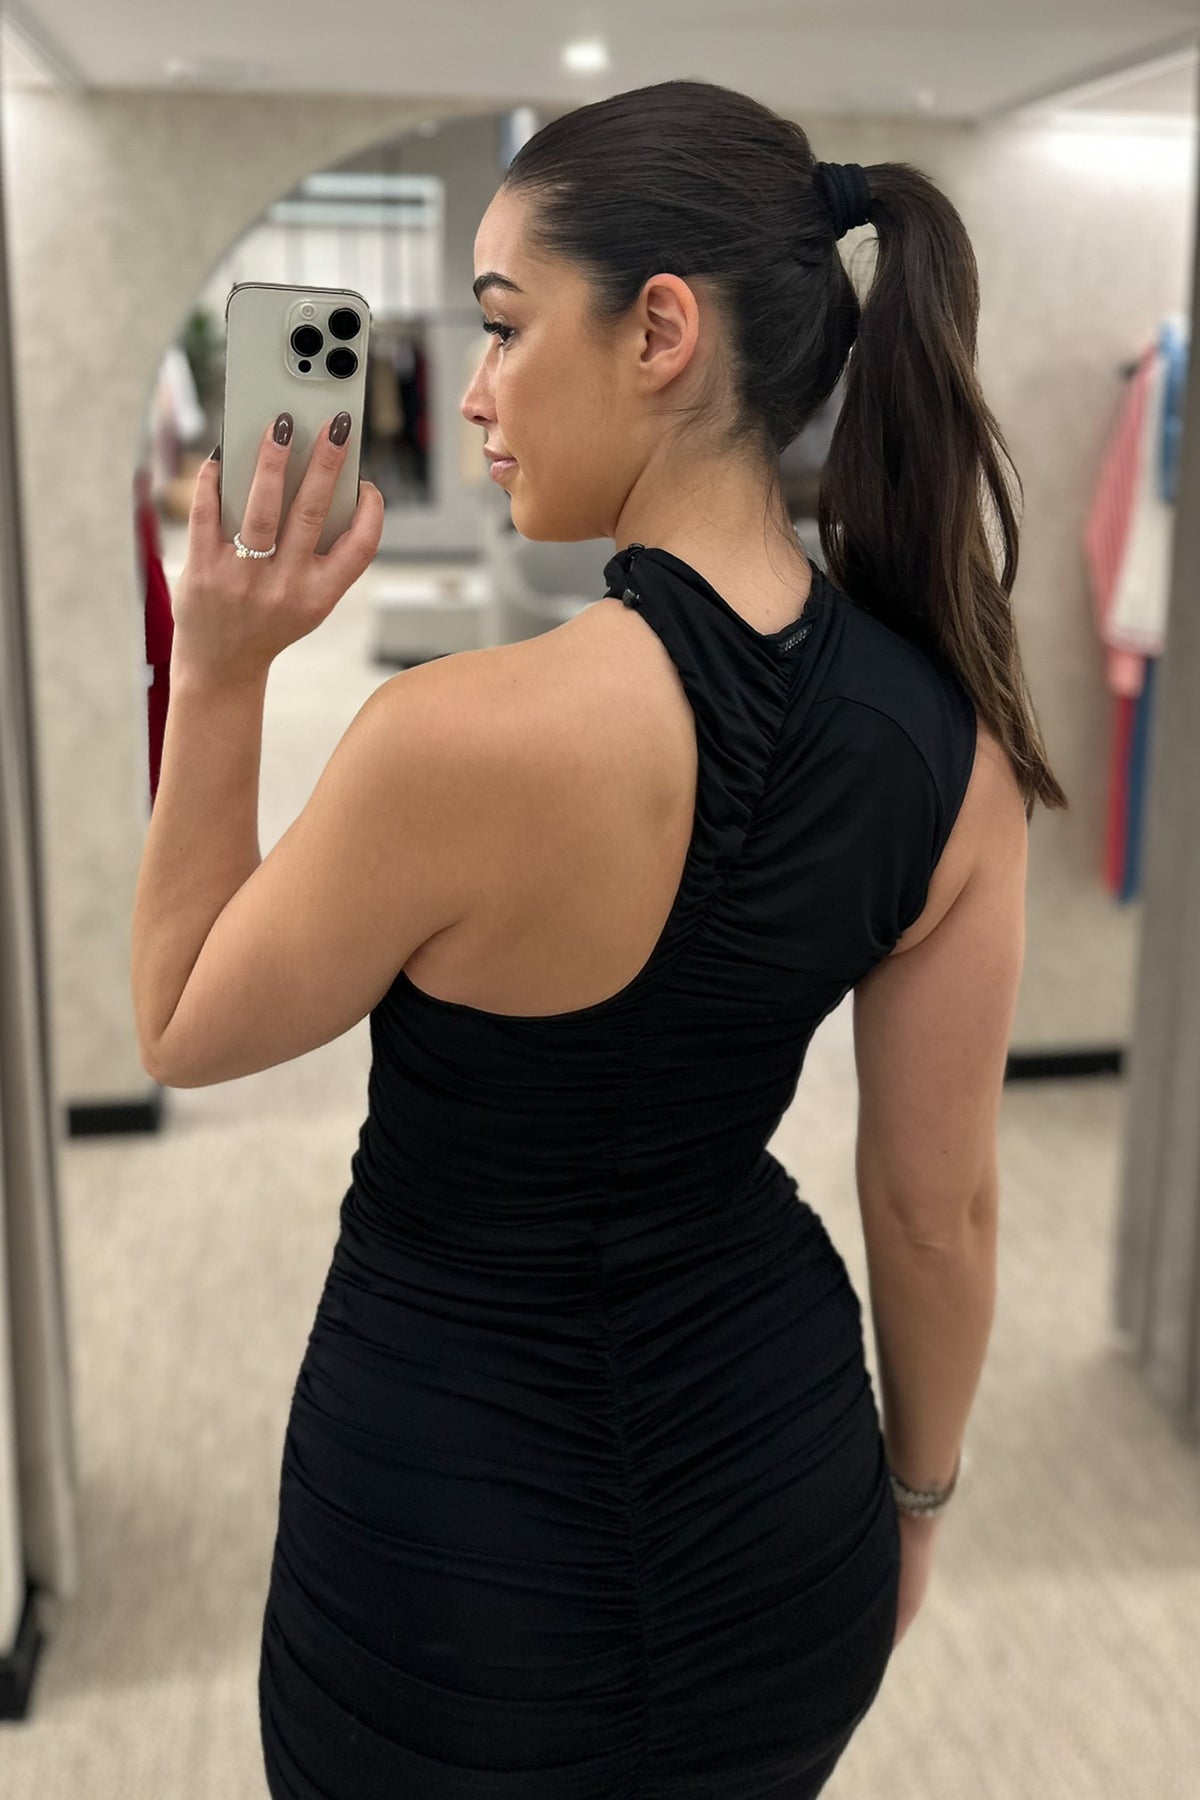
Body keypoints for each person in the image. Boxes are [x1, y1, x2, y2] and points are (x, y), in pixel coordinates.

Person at [256, 77, 1065, 1798]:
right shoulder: (956, 749)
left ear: (661, 332)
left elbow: (180, 1017)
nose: (474, 392)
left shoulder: (446, 741)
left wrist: (223, 662)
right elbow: (938, 1214)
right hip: (785, 1506)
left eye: (502, 326)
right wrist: (916, 1503)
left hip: (442, 1567)